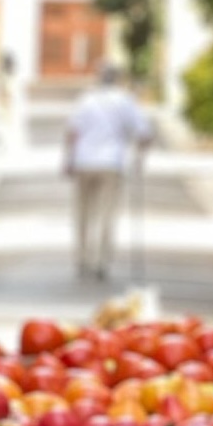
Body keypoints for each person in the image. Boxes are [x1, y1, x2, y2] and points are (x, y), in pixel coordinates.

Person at [64, 64, 153, 280]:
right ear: (118, 79)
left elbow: (72, 132)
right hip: (111, 163)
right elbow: (144, 133)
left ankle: (82, 258)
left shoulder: (86, 99)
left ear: (98, 78)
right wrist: (140, 156)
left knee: (83, 213)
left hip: (84, 161)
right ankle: (101, 262)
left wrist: (68, 160)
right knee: (107, 213)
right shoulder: (125, 101)